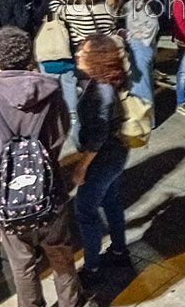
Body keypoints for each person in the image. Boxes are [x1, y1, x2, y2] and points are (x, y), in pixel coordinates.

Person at [0, 27, 83, 307]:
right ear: (30, 56)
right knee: (61, 256)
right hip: (50, 193)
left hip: (7, 200)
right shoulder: (51, 93)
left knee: (22, 265)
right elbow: (61, 133)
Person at [71, 35, 133, 288]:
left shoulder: (100, 92)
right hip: (116, 153)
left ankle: (93, 268)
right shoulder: (103, 83)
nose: (77, 55)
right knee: (112, 201)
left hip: (103, 159)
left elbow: (97, 137)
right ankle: (119, 252)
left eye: (83, 53)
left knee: (85, 211)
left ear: (97, 58)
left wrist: (81, 167)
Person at [124, 0, 159, 106]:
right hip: (140, 45)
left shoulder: (141, 5)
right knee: (144, 81)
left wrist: (143, 38)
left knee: (141, 84)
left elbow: (153, 24)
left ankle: (147, 118)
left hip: (140, 46)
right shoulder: (137, 3)